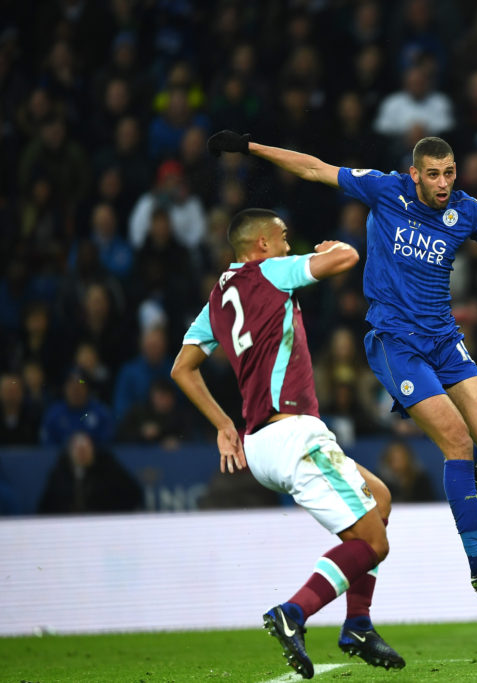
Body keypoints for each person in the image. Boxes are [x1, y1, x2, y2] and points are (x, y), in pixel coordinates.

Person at [207, 130, 477, 596]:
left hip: (444, 340)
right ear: (414, 174)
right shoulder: (385, 189)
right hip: (394, 341)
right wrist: (250, 147)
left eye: (449, 173)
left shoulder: (466, 211)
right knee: (459, 443)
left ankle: (458, 464)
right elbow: (314, 167)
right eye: (433, 174)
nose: (443, 183)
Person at [170, 208, 403, 678]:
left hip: (261, 443)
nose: (286, 244)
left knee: (378, 498)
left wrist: (222, 424)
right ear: (260, 246)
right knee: (374, 542)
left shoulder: (217, 298)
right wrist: (328, 250)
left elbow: (181, 367)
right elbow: (347, 258)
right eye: (281, 237)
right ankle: (293, 612)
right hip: (295, 432)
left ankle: (357, 624)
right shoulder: (270, 272)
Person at [36, 431, 143, 514]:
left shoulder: (108, 469)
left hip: (103, 522)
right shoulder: (60, 473)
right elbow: (47, 505)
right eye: (78, 450)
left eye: (85, 449)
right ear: (70, 452)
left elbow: (132, 494)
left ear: (92, 449)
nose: (82, 454)